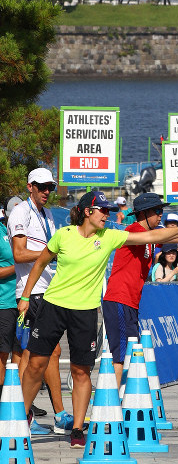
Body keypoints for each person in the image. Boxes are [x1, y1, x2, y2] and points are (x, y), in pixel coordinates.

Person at [17, 190, 178, 449]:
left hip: (85, 311)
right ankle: (19, 420)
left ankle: (79, 429)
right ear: (87, 212)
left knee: (81, 371)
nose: (108, 214)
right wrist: (25, 296)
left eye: (108, 210)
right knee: (36, 364)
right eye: (103, 210)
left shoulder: (109, 237)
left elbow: (150, 235)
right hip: (54, 305)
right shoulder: (63, 235)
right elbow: (39, 263)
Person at [7, 167, 71, 436]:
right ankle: (29, 415)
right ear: (30, 186)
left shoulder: (46, 213)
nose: (47, 192)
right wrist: (51, 253)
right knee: (38, 354)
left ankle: (43, 414)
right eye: (42, 187)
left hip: (48, 290)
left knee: (41, 354)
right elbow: (19, 254)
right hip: (31, 291)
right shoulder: (20, 212)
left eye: (51, 188)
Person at [103, 192, 171, 387]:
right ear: (144, 213)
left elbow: (171, 236)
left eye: (162, 211)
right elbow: (163, 234)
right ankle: (108, 405)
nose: (161, 216)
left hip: (130, 302)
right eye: (157, 211)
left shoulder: (150, 236)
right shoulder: (134, 231)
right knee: (120, 356)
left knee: (131, 354)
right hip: (119, 299)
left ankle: (120, 402)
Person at [0, 209, 16, 399]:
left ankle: (18, 403)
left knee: (20, 355)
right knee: (2, 356)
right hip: (3, 303)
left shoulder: (6, 230)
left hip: (19, 301)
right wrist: (18, 266)